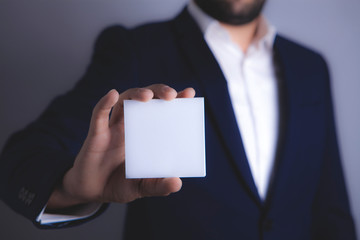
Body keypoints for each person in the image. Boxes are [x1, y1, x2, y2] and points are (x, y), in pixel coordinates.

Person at [0, 0, 357, 239]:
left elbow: (331, 208)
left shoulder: (310, 67)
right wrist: (70, 188)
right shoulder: (135, 48)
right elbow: (21, 158)